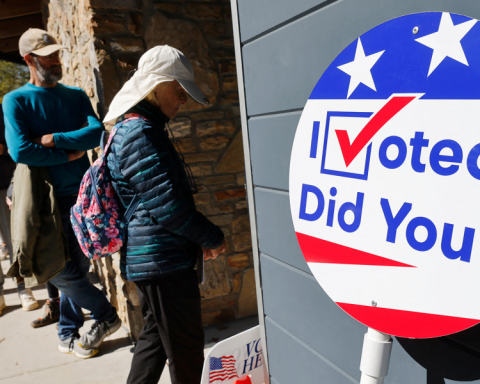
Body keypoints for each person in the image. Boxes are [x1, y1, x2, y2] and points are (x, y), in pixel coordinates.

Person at [103, 45, 226, 384]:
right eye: (180, 89)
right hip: (162, 261)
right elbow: (168, 206)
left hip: (155, 259)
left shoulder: (137, 127)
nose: (184, 99)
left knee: (155, 340)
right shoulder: (140, 132)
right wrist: (211, 236)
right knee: (185, 352)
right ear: (156, 85)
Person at [2, 28, 120, 358]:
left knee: (77, 271)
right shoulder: (15, 100)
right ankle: (107, 315)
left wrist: (54, 139)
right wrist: (68, 152)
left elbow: (95, 132)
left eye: (57, 54)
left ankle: (68, 331)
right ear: (29, 60)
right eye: (48, 56)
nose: (57, 60)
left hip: (82, 197)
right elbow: (20, 151)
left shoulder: (75, 96)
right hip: (43, 201)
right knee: (55, 269)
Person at [0, 106, 39, 314]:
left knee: (16, 241)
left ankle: (24, 288)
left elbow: (10, 146)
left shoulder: (3, 112)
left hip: (3, 184)